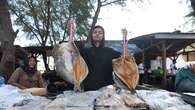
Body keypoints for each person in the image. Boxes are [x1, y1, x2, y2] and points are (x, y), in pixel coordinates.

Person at [80, 25, 129, 91]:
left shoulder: (110, 51)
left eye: (100, 33)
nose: (97, 34)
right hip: (88, 89)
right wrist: (71, 32)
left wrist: (124, 40)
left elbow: (125, 57)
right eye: (95, 32)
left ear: (103, 36)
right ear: (92, 35)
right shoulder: (84, 51)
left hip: (107, 90)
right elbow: (72, 54)